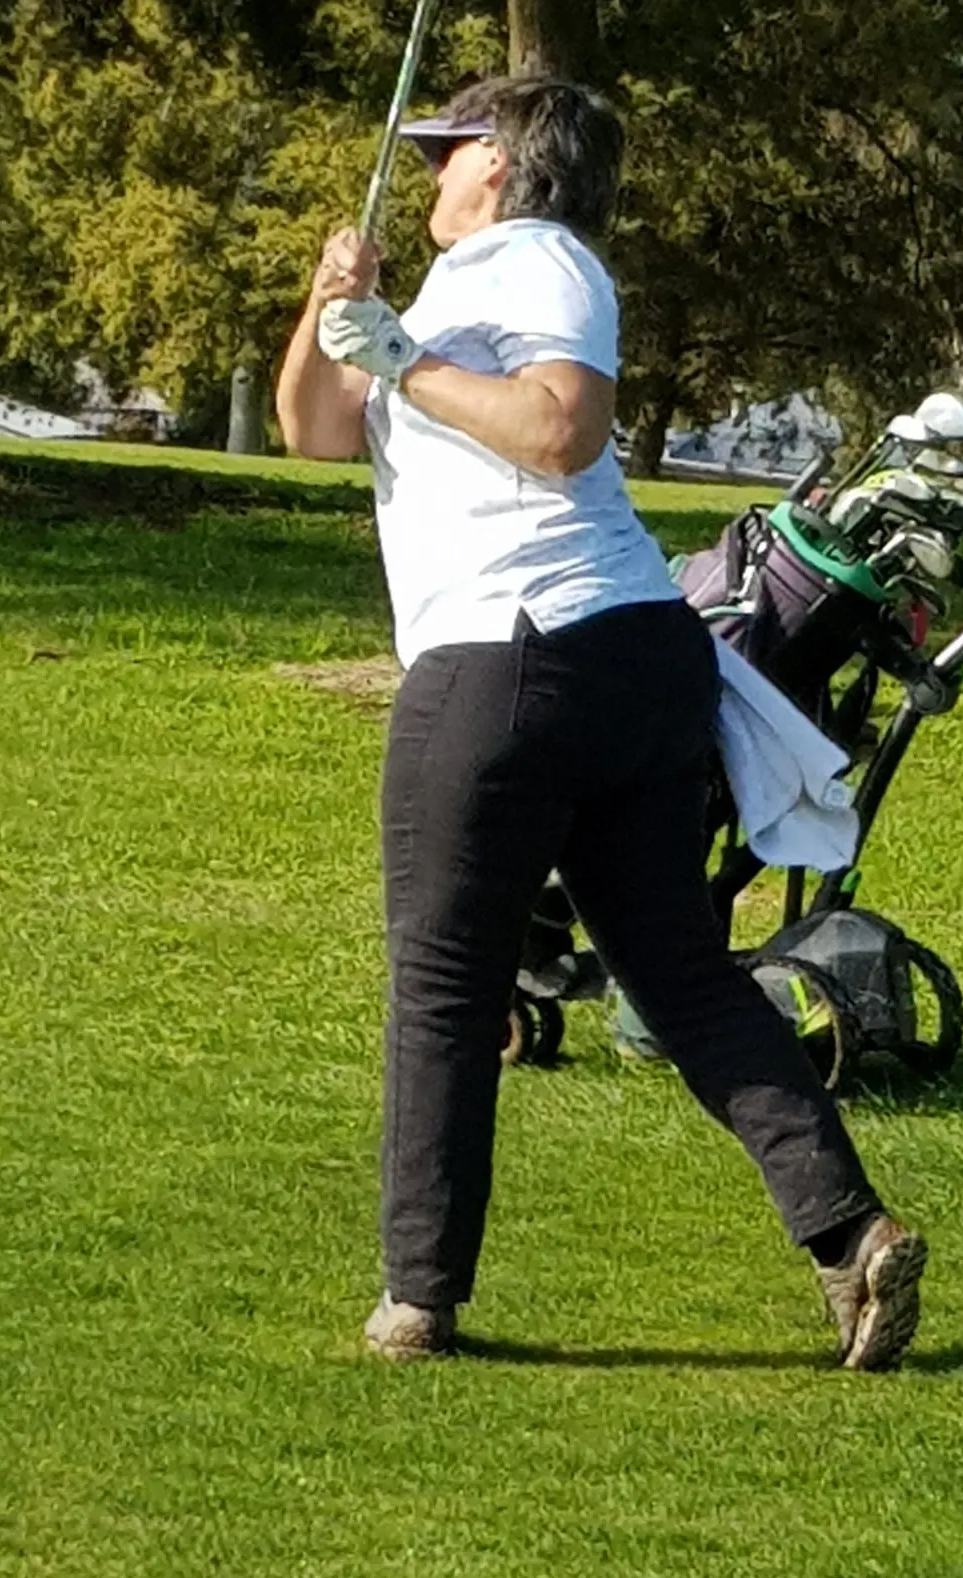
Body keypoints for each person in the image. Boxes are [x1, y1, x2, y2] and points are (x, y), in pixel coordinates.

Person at [275, 75, 926, 1370]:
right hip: (618, 667)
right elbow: (311, 430)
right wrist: (330, 305)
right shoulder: (458, 289)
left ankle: (419, 1296)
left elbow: (564, 432)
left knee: (447, 984)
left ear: (507, 171)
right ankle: (850, 1238)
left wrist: (408, 356)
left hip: (520, 660)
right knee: (678, 975)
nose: (431, 175)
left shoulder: (545, 264)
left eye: (448, 154)